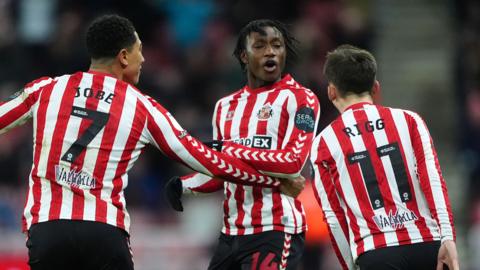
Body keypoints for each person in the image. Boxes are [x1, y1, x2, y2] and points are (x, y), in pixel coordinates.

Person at [0, 14, 300, 270]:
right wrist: (270, 179)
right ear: (123, 56)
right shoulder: (141, 106)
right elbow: (204, 158)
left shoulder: (47, 89)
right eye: (139, 50)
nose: (143, 58)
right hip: (105, 232)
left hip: (48, 229)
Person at [165, 19, 320, 269]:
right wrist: (184, 185)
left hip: (275, 229)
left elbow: (292, 163)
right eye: (259, 45)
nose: (270, 51)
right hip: (231, 233)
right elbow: (222, 171)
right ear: (243, 56)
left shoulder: (300, 98)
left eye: (276, 45)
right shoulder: (224, 106)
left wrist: (227, 149)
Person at [310, 44, 459, 270]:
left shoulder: (323, 143)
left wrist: (349, 265)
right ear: (376, 88)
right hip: (428, 245)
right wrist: (447, 237)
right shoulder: (410, 121)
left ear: (331, 92)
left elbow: (333, 215)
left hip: (375, 253)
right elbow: (433, 181)